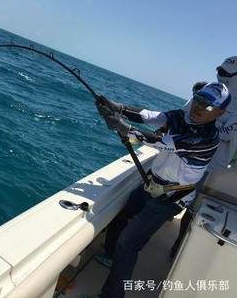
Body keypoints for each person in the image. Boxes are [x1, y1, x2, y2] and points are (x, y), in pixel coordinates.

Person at [94, 82, 231, 298]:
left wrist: (124, 128)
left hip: (173, 197)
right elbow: (149, 116)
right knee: (122, 215)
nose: (199, 107)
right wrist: (118, 107)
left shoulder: (206, 139)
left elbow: (161, 142)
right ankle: (110, 255)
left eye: (208, 107)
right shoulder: (180, 116)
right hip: (152, 184)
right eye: (199, 100)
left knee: (128, 243)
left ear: (220, 112)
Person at [170, 56, 237, 258]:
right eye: (220, 71)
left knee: (192, 206)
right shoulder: (207, 90)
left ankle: (179, 248)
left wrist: (201, 120)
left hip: (210, 165)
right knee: (170, 196)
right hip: (183, 155)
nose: (221, 75)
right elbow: (183, 114)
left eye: (227, 73)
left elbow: (227, 133)